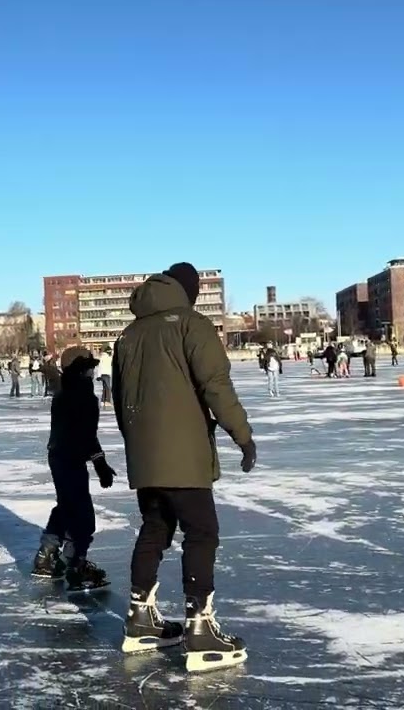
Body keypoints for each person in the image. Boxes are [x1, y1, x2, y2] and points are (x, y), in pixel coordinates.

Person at [112, 262, 256, 671]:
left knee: (155, 528)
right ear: (188, 291)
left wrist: (139, 446)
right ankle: (200, 628)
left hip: (145, 455)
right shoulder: (191, 325)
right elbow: (216, 385)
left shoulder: (129, 335)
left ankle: (140, 619)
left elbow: (121, 401)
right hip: (183, 455)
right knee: (202, 530)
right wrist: (242, 436)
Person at [30, 346, 117, 593]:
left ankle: (46, 556)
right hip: (69, 458)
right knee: (82, 515)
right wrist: (100, 463)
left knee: (67, 506)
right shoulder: (83, 396)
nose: (93, 371)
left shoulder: (64, 391)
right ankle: (75, 564)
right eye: (90, 367)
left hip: (59, 456)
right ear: (82, 370)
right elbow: (87, 435)